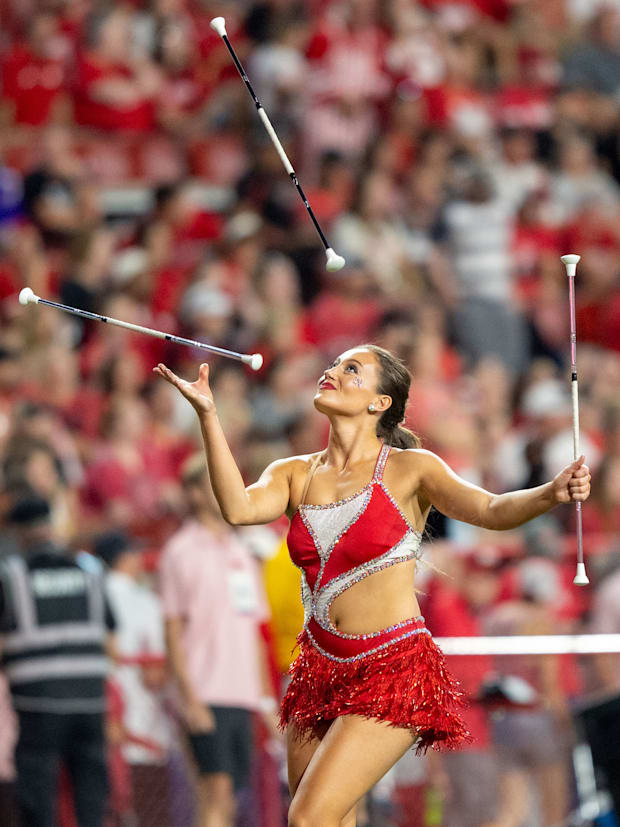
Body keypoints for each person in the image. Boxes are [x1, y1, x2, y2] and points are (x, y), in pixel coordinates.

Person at [153, 343, 591, 827]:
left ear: (379, 402)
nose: (333, 371)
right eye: (335, 364)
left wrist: (550, 492)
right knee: (330, 821)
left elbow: (488, 510)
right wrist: (208, 417)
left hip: (393, 669)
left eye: (352, 369)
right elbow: (237, 508)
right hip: (316, 669)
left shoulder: (412, 468)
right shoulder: (293, 472)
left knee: (309, 817)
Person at [159, 454, 278, 827]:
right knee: (216, 792)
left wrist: (265, 700)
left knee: (227, 799)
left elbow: (255, 633)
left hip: (240, 694)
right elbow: (173, 632)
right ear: (194, 493)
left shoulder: (242, 552)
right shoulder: (179, 552)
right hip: (205, 691)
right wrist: (189, 697)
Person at [0, 495, 116, 827]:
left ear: (19, 533)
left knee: (38, 802)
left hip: (38, 705)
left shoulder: (12, 576)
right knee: (91, 804)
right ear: (51, 526)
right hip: (90, 704)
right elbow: (111, 638)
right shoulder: (91, 571)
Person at [95, 530, 172, 827]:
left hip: (98, 719)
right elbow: (154, 675)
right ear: (124, 559)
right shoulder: (144, 600)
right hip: (140, 721)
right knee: (149, 811)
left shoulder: (92, 593)